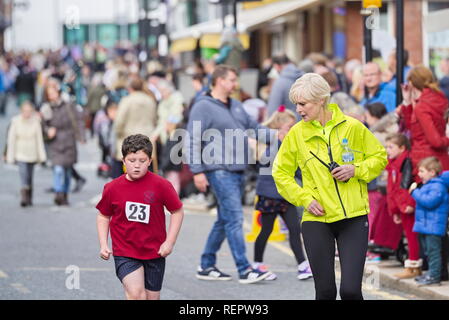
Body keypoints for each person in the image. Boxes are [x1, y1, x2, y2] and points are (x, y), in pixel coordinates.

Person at [272, 73, 387, 300]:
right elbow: (280, 173)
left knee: (350, 291)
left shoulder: (353, 127)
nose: (299, 110)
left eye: (303, 104)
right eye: (296, 104)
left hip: (353, 218)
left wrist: (355, 169)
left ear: (321, 100)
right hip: (317, 220)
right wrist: (305, 198)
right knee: (325, 292)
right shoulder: (296, 135)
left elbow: (379, 157)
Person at [186, 65, 275, 284]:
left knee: (224, 219)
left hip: (238, 170)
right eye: (232, 80)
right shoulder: (203, 107)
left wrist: (278, 135)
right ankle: (245, 269)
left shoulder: (236, 106)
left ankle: (206, 265)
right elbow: (192, 139)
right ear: (218, 81)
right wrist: (197, 171)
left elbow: (253, 127)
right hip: (219, 169)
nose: (236, 84)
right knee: (235, 217)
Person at [96, 134, 184, 300]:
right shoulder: (112, 188)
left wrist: (170, 242)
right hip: (125, 251)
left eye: (142, 161)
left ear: (150, 161)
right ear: (123, 161)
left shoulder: (162, 185)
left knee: (152, 298)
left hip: (154, 251)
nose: (137, 165)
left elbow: (177, 211)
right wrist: (103, 244)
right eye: (132, 160)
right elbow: (103, 216)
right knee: (137, 294)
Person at [252, 106, 312, 281]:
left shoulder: (290, 142)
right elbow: (267, 165)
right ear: (279, 127)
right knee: (266, 230)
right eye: (289, 127)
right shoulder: (270, 143)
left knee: (295, 229)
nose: (293, 130)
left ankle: (302, 265)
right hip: (270, 195)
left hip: (285, 194)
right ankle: (256, 264)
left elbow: (297, 168)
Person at [397, 65, 449, 177]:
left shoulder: (422, 107)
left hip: (425, 163)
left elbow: (435, 141)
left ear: (413, 83)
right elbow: (416, 130)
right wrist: (407, 103)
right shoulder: (441, 100)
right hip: (440, 162)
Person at [40, 78, 85, 206]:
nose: (52, 96)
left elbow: (78, 120)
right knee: (58, 169)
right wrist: (48, 130)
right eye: (49, 94)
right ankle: (59, 193)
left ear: (58, 92)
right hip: (54, 142)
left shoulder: (68, 106)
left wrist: (81, 136)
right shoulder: (45, 109)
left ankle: (64, 193)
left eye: (53, 92)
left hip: (69, 140)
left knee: (67, 171)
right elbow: (42, 126)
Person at [385, 133, 422, 278]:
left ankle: (413, 266)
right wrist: (394, 211)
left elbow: (411, 186)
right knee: (409, 236)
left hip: (406, 206)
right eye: (387, 147)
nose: (387, 150)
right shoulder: (394, 164)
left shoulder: (407, 162)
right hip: (401, 206)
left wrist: (409, 204)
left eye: (391, 147)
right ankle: (413, 266)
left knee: (412, 237)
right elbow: (392, 189)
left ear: (402, 148)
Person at [410, 157, 449, 286]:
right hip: (427, 226)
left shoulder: (438, 186)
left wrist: (414, 192)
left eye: (422, 171)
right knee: (429, 252)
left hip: (433, 226)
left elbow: (429, 202)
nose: (419, 174)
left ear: (432, 172)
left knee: (434, 252)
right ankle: (432, 273)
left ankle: (434, 276)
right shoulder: (429, 185)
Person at [112, 77, 157, 179]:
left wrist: (118, 134)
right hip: (147, 139)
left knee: (129, 172)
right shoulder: (150, 100)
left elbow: (119, 121)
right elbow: (154, 119)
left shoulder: (127, 101)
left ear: (130, 88)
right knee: (146, 172)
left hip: (129, 139)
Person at [6, 101, 46, 206]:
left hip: (32, 153)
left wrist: (41, 156)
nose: (27, 113)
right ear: (21, 111)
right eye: (25, 111)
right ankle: (24, 196)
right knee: (23, 175)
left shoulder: (36, 121)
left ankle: (29, 195)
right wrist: (10, 155)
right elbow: (11, 140)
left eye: (29, 111)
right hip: (20, 153)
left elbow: (39, 140)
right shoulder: (15, 121)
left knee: (29, 176)